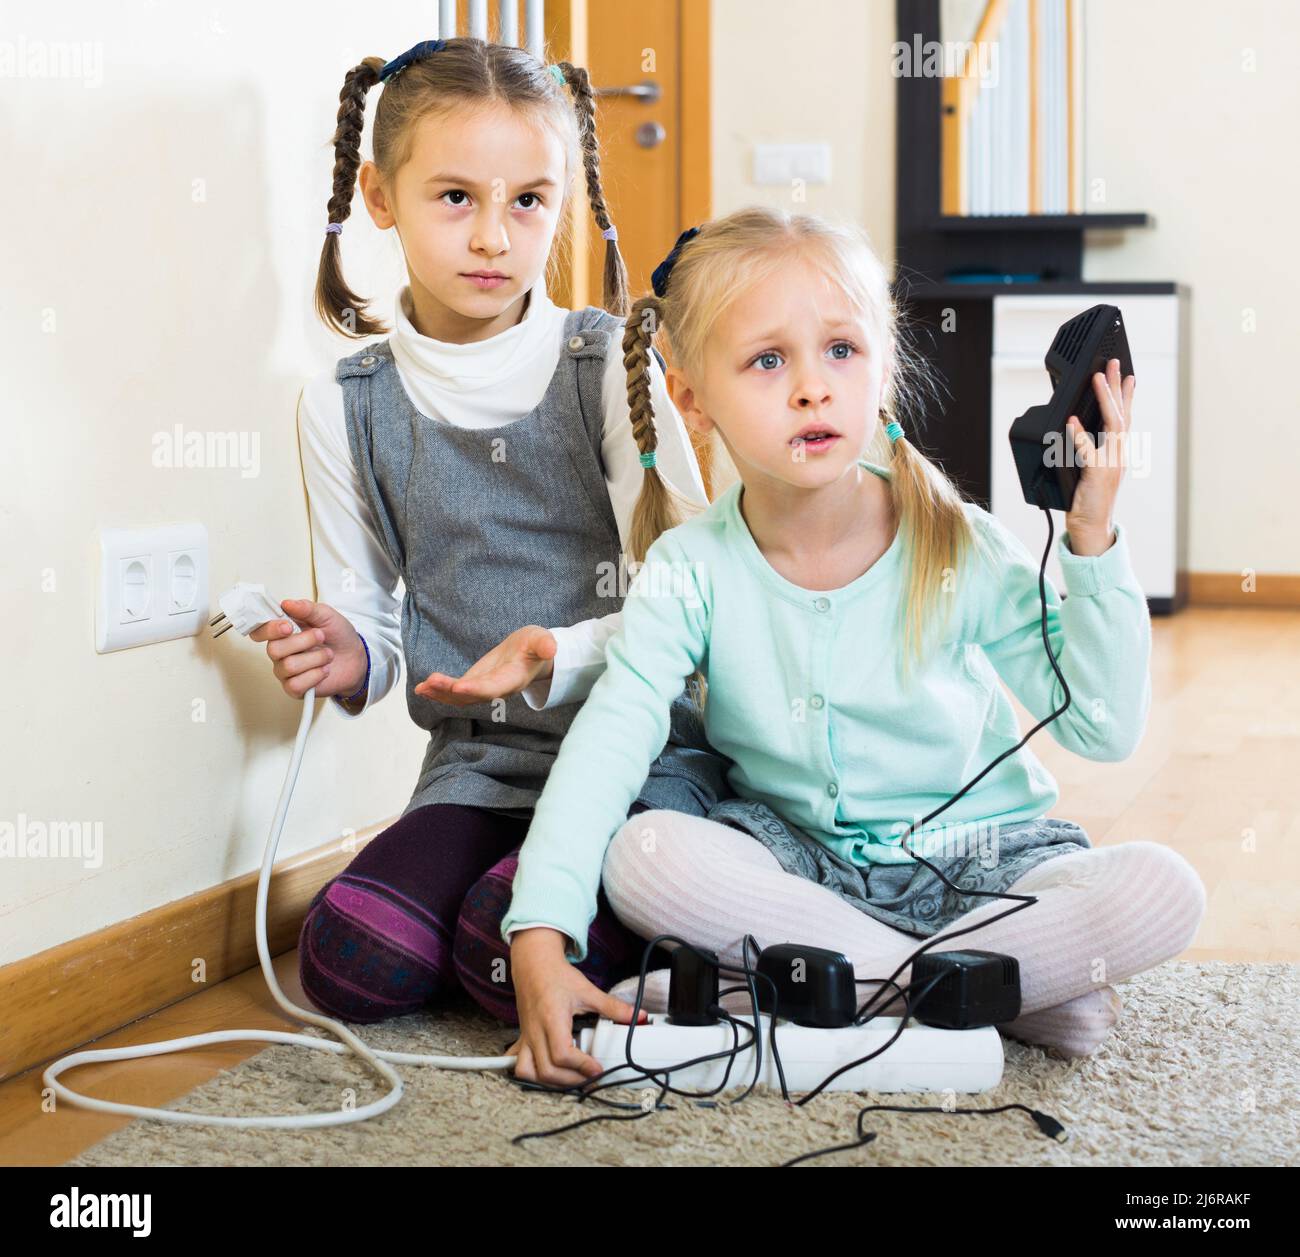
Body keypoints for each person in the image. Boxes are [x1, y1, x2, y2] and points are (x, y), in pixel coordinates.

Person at [495, 206, 1206, 1087]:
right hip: (799, 866)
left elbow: (1103, 726)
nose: (811, 388)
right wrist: (538, 936)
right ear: (693, 400)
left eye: (841, 350)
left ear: (882, 368)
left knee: (1161, 887)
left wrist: (1092, 537)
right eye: (766, 360)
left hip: (983, 861)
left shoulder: (958, 542)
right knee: (648, 858)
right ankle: (983, 993)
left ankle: (814, 986)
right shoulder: (690, 566)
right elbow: (611, 739)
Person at [255, 37, 735, 1027]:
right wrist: (344, 654)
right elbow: (372, 624)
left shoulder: (603, 368)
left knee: (493, 951)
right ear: (380, 197)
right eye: (455, 197)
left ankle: (678, 883)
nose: (493, 238)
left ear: (564, 201)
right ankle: (548, 905)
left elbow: (697, 598)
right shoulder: (341, 404)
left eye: (528, 200)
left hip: (640, 750)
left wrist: (555, 651)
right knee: (344, 963)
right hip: (481, 765)